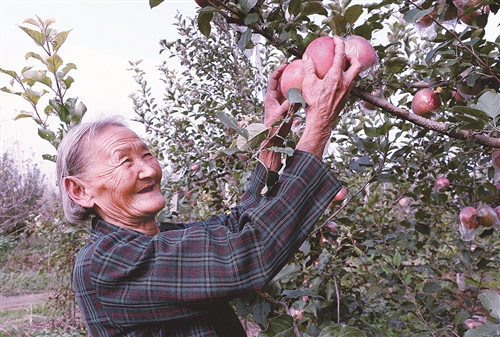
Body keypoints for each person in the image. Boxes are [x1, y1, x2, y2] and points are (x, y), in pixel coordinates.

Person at [57, 36, 361, 337]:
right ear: (80, 191)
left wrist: (271, 139)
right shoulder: (104, 265)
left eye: (147, 154)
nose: (149, 169)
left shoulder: (168, 238)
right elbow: (248, 255)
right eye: (124, 161)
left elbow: (239, 226)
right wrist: (319, 123)